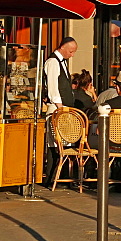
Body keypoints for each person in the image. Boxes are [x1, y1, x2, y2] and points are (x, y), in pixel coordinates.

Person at [42, 37, 77, 181]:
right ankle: (52, 176)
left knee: (63, 142)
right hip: (58, 109)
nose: (72, 55)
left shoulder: (62, 62)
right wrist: (60, 107)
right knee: (55, 143)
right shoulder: (52, 62)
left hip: (64, 108)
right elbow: (52, 87)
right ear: (62, 47)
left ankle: (60, 176)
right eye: (71, 51)